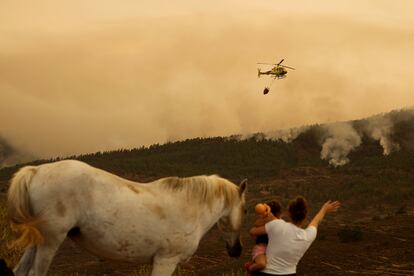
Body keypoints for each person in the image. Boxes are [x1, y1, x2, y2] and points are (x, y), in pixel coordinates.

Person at [249, 196, 341, 276]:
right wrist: (324, 210)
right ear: (305, 216)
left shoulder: (276, 224)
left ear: (289, 213)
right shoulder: (308, 236)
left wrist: (266, 213)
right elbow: (316, 221)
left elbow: (253, 231)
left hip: (265, 273)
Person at [245, 201, 282, 274]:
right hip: (261, 249)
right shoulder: (263, 222)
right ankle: (250, 267)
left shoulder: (279, 223)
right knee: (262, 264)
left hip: (272, 250)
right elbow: (254, 227)